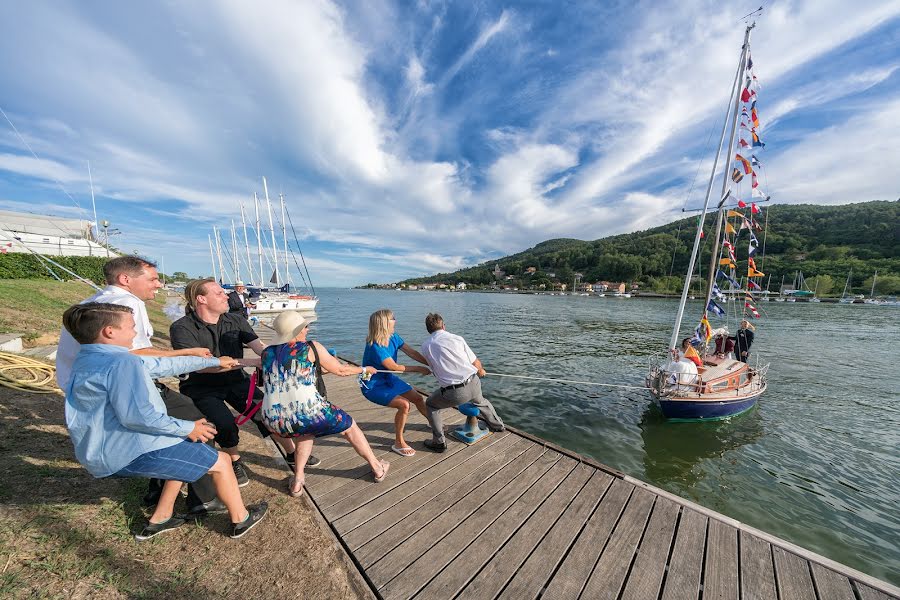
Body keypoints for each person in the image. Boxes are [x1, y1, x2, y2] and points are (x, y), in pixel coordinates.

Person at [62, 302, 268, 540]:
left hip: (99, 448)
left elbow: (163, 365)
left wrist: (214, 361)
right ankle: (241, 520)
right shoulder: (122, 363)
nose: (135, 333)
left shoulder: (88, 359)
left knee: (186, 450)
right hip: (124, 452)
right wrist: (188, 427)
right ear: (109, 331)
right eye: (131, 327)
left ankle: (161, 517)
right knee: (221, 462)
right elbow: (137, 417)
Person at [55, 255, 223, 516]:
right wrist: (187, 355)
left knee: (174, 422)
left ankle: (159, 493)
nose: (158, 284)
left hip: (82, 386)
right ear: (126, 279)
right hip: (112, 384)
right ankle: (204, 498)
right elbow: (138, 357)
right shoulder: (126, 305)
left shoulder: (92, 303)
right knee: (197, 424)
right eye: (153, 279)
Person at [170, 279, 318, 487]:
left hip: (236, 380)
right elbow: (196, 365)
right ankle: (235, 460)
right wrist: (248, 362)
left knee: (268, 413)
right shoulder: (182, 328)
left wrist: (288, 357)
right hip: (201, 386)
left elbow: (260, 348)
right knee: (225, 424)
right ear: (201, 299)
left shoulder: (236, 320)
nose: (226, 296)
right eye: (219, 293)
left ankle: (291, 453)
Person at [260, 311, 388, 497]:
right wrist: (364, 369)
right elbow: (341, 370)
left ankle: (298, 480)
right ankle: (377, 467)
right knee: (350, 426)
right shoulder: (310, 347)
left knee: (305, 432)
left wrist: (239, 361)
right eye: (304, 327)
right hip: (308, 413)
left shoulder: (266, 353)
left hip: (273, 421)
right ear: (296, 331)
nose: (307, 329)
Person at [419, 313, 505, 452]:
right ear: (444, 326)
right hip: (474, 382)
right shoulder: (457, 338)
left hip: (454, 392)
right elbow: (475, 362)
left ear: (428, 330)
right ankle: (498, 425)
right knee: (482, 401)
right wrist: (481, 370)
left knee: (431, 405)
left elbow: (433, 364)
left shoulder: (425, 346)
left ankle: (439, 442)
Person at [361, 309, 431, 457]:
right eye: (393, 318)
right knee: (404, 404)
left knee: (418, 398)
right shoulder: (375, 346)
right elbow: (394, 367)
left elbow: (411, 352)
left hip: (388, 379)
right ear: (384, 323)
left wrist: (431, 363)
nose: (396, 320)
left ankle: (433, 423)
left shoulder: (394, 337)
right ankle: (398, 442)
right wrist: (419, 369)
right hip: (373, 385)